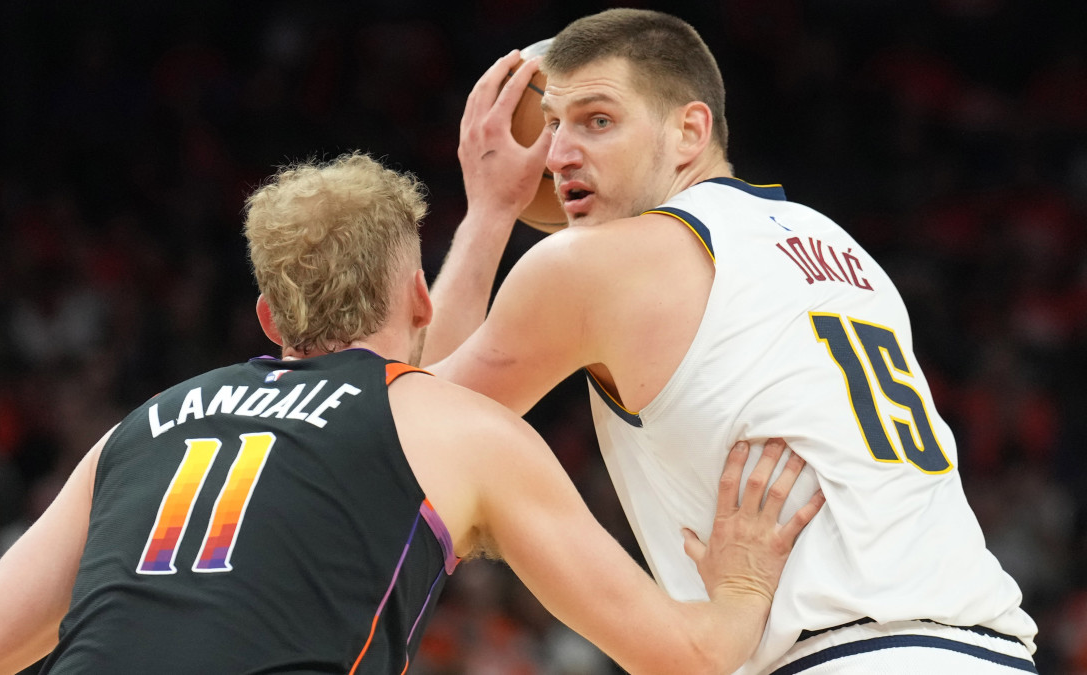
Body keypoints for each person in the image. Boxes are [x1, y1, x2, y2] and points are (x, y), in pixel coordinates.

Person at [0, 153, 824, 675]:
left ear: (267, 317)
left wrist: (493, 210)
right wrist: (741, 584)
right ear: (421, 297)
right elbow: (687, 660)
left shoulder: (139, 428)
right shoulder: (463, 434)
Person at [422, 8, 1039, 674]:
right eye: (550, 127)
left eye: (597, 121)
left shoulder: (592, 264)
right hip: (991, 647)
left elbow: (412, 434)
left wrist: (488, 212)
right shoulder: (839, 246)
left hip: (839, 654)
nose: (557, 154)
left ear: (689, 130)